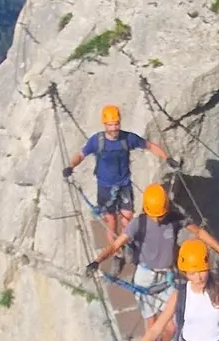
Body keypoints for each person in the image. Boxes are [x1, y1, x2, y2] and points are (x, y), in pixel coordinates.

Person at [87, 184, 219, 341]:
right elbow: (117, 244)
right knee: (151, 322)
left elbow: (199, 232)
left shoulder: (174, 218)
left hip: (167, 275)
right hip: (146, 276)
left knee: (174, 323)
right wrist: (97, 261)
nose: (159, 219)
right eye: (156, 215)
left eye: (161, 215)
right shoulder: (139, 224)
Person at [61, 105, 176, 247]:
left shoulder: (127, 138)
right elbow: (81, 155)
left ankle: (127, 245)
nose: (114, 128)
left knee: (127, 217)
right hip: (105, 187)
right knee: (111, 221)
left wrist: (167, 158)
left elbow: (149, 146)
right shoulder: (97, 141)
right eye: (110, 125)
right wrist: (71, 167)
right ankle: (116, 251)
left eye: (116, 124)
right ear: (105, 125)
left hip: (124, 184)